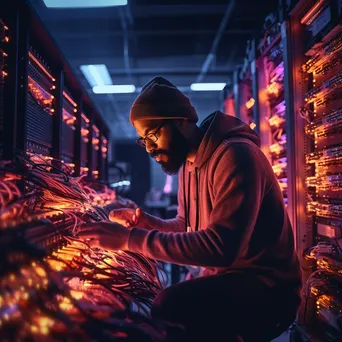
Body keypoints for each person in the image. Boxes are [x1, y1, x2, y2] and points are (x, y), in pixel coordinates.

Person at [78, 77, 302, 341]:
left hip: (268, 288)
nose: (150, 148)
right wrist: (149, 224)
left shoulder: (236, 156)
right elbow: (188, 225)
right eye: (143, 140)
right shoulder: (188, 164)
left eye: (153, 134)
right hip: (231, 279)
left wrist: (129, 240)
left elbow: (220, 248)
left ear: (182, 121)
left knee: (169, 304)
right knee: (158, 301)